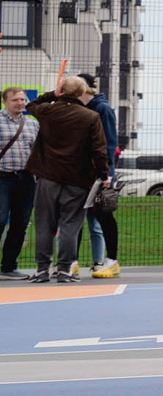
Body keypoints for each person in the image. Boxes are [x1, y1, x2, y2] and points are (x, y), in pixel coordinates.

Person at [24, 77, 108, 284]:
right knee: (70, 225)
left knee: (45, 225)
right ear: (81, 93)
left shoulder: (47, 111)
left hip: (47, 176)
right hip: (77, 178)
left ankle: (42, 269)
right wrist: (103, 175)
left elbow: (30, 105)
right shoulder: (90, 116)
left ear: (62, 90)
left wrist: (52, 94)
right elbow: (99, 149)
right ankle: (64, 269)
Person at [78, 80, 121, 279]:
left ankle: (109, 261)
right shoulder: (79, 108)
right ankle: (70, 262)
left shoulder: (102, 108)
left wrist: (107, 173)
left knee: (102, 215)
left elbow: (109, 143)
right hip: (81, 173)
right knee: (74, 217)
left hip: (100, 174)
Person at [0, 87, 36, 277]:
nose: (20, 103)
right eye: (15, 100)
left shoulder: (32, 124)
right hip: (2, 178)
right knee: (0, 220)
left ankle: (9, 266)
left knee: (20, 223)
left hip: (26, 179)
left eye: (22, 99)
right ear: (5, 101)